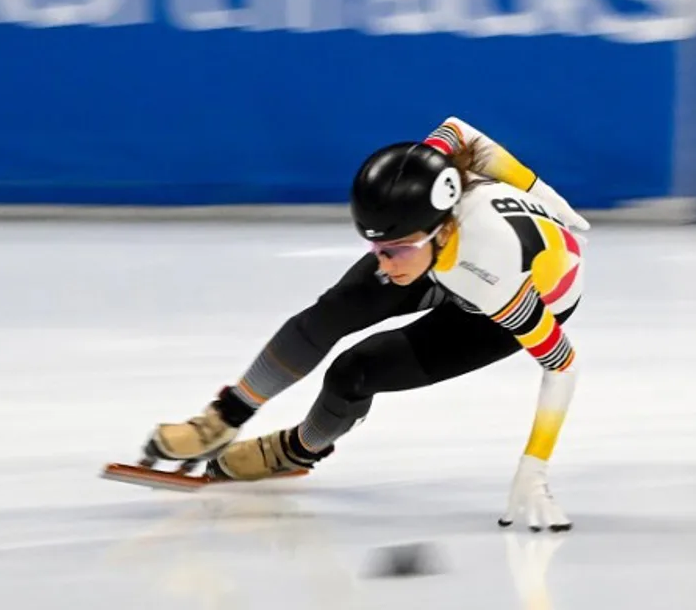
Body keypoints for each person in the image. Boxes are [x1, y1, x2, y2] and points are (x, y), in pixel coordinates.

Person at [143, 117, 589, 531]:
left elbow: (562, 364)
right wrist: (545, 193)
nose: (381, 261)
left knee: (355, 373)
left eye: (392, 250)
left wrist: (535, 467)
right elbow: (457, 131)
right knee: (333, 312)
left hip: (511, 293)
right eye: (375, 247)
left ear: (437, 231)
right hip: (453, 257)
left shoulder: (494, 277)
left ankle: (298, 449)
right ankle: (222, 419)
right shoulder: (427, 183)